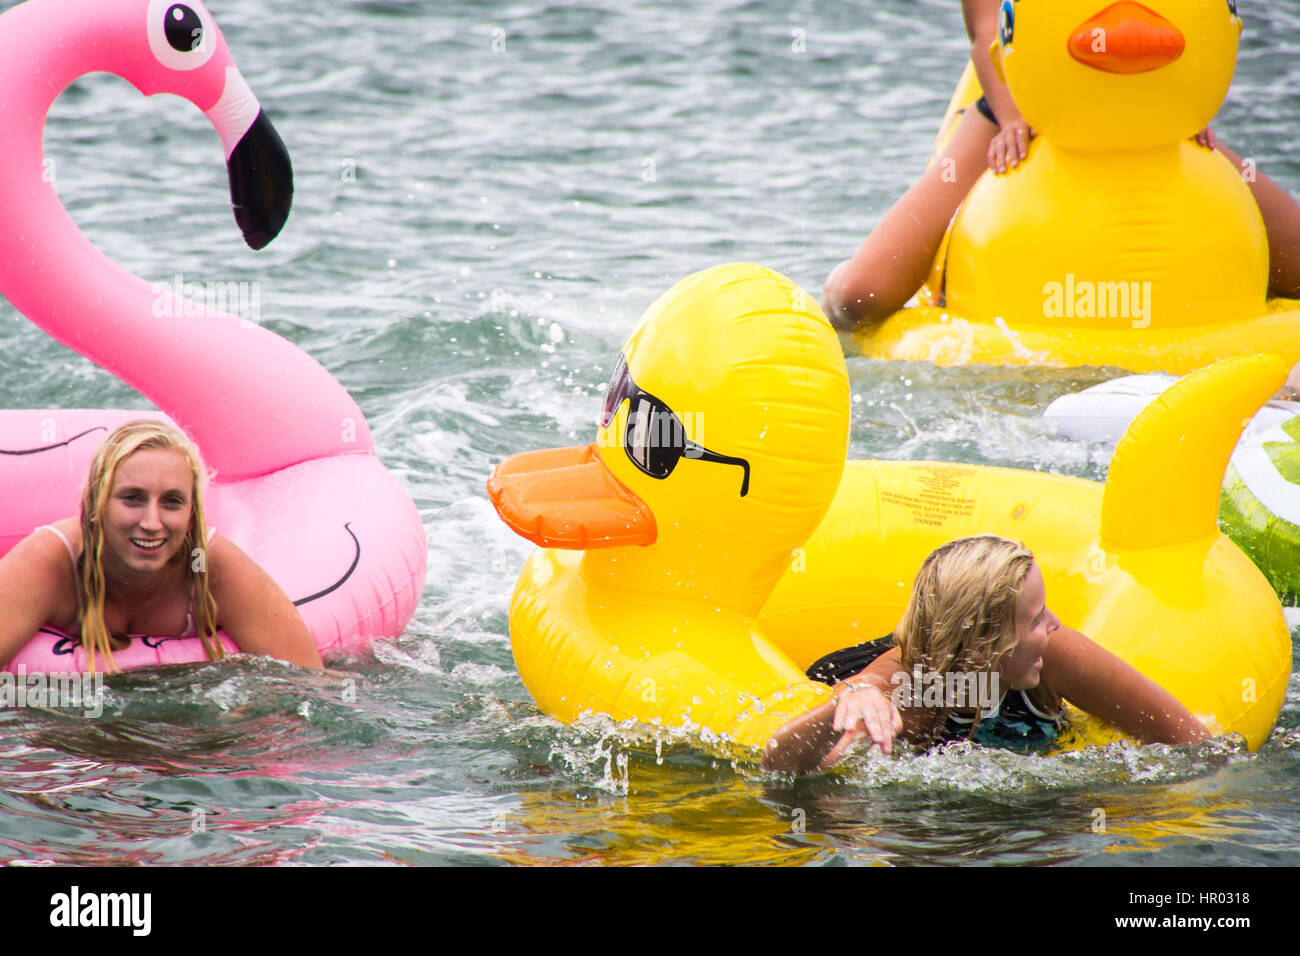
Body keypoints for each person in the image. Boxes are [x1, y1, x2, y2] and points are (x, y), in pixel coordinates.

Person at [821, 0, 1300, 331]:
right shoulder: (1012, 106)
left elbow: (1206, 25)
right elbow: (989, 35)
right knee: (864, 297)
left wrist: (1190, 105)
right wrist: (1013, 118)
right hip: (1024, 108)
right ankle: (828, 294)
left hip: (1155, 122)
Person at [762, 535, 1208, 774]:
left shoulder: (1058, 654)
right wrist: (854, 696)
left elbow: (1197, 747)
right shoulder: (914, 690)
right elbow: (779, 765)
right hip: (868, 666)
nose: (1052, 623)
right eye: (1034, 618)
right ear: (987, 646)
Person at [0, 419, 323, 672]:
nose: (152, 522)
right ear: (97, 501)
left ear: (192, 514)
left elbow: (307, 686)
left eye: (171, 501)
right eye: (132, 498)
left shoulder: (211, 567)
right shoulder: (50, 561)